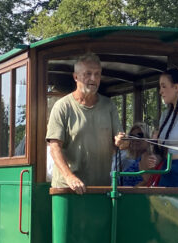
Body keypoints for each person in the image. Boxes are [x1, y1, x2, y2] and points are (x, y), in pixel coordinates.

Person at [46, 53, 125, 192]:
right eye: (88, 74)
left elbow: (121, 143)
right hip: (68, 190)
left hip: (100, 189)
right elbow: (54, 148)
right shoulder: (62, 107)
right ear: (76, 77)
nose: (93, 79)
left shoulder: (109, 106)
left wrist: (122, 141)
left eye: (97, 74)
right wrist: (70, 177)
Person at [116, 122, 160, 186]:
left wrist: (128, 193)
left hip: (135, 195)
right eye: (132, 136)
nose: (135, 139)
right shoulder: (127, 156)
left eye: (140, 135)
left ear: (148, 138)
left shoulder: (147, 156)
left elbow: (147, 182)